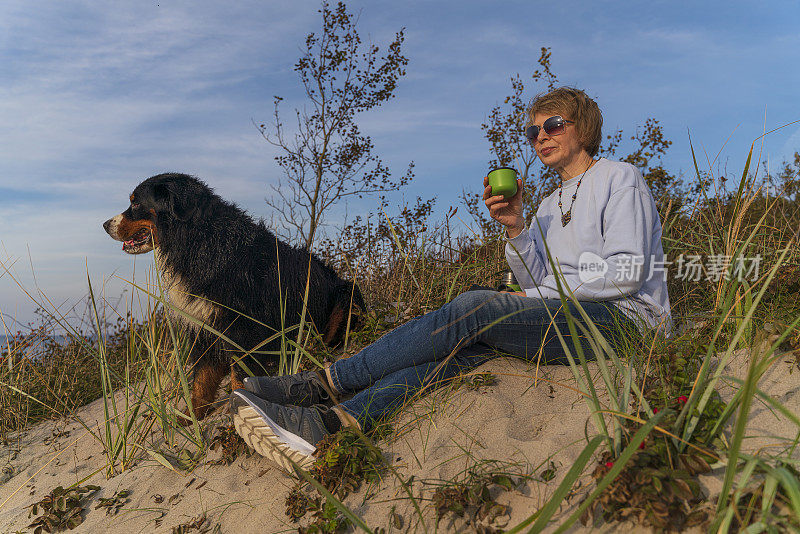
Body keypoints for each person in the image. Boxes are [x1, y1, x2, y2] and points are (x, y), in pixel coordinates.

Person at [229, 86, 673, 471]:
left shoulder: (619, 177)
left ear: (583, 127)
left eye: (553, 125)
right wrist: (517, 226)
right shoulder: (549, 205)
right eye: (533, 131)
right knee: (457, 353)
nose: (541, 137)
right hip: (570, 318)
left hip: (626, 323)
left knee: (475, 306)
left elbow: (627, 274)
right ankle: (331, 424)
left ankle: (323, 383)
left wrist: (533, 296)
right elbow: (539, 278)